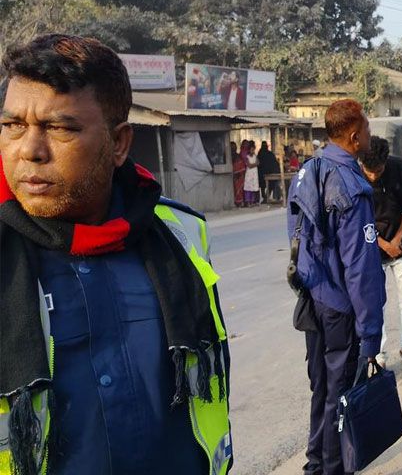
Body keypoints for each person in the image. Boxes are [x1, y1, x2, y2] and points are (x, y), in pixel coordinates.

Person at [0, 34, 232, 474]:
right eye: (13, 126)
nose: (29, 150)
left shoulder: (179, 234)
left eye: (60, 128)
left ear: (120, 143)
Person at [287, 99, 385, 475]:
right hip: (340, 308)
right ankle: (330, 468)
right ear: (354, 135)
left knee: (323, 392)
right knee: (340, 397)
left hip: (313, 298)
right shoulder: (349, 185)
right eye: (368, 129)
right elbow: (361, 269)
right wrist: (371, 334)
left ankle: (315, 465)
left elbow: (298, 239)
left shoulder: (307, 172)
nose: (370, 135)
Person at [359, 136, 402, 372]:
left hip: (401, 246)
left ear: (386, 162)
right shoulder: (355, 175)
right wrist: (383, 244)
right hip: (371, 251)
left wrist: (397, 238)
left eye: (378, 171)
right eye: (370, 171)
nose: (374, 176)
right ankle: (378, 357)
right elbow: (356, 221)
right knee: (376, 305)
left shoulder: (397, 166)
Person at [243, 140, 260, 206]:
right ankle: (248, 202)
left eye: (253, 150)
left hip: (254, 174)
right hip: (249, 174)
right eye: (251, 150)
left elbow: (258, 162)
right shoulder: (247, 157)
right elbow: (249, 165)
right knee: (248, 188)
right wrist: (255, 164)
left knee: (253, 188)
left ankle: (253, 201)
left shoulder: (255, 156)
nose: (252, 151)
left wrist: (254, 164)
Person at [232, 140, 246, 207]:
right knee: (236, 190)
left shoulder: (238, 156)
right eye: (232, 147)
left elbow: (242, 165)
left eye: (234, 147)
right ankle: (237, 202)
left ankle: (240, 202)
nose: (233, 148)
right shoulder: (229, 156)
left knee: (240, 190)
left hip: (240, 176)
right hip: (233, 176)